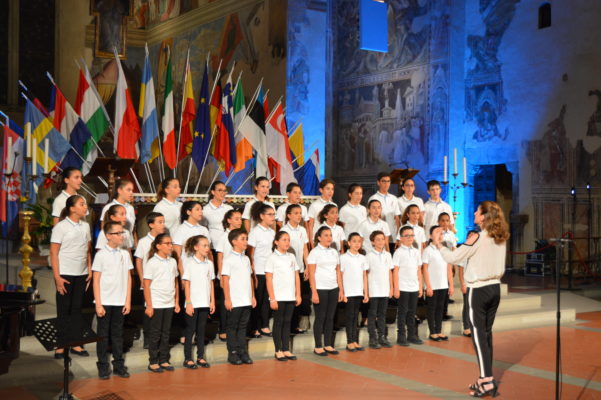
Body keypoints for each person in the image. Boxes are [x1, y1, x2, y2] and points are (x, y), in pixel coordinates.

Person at [433, 201, 509, 397]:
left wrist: (439, 244)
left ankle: (487, 381)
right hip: (495, 288)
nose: (474, 213)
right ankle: (486, 377)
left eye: (477, 211)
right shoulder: (500, 236)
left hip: (480, 290)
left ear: (483, 217)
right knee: (486, 333)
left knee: (478, 336)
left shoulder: (477, 237)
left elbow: (454, 257)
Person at [50, 195, 92, 358]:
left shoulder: (86, 226)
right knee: (64, 309)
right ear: (72, 208)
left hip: (81, 273)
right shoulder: (61, 227)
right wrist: (57, 277)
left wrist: (89, 269)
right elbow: (54, 252)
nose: (85, 207)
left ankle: (76, 343)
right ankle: (60, 345)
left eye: (85, 204)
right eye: (82, 204)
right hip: (65, 273)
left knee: (76, 309)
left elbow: (87, 250)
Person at [92, 221, 133, 379]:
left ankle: (118, 365)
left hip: (120, 301)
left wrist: (128, 301)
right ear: (108, 236)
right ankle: (103, 365)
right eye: (117, 233)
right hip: (105, 301)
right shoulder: (101, 254)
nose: (121, 236)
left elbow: (128, 279)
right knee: (103, 335)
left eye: (122, 232)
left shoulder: (124, 254)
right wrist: (99, 303)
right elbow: (96, 280)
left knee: (118, 334)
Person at [143, 233, 180, 373]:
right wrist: (149, 305)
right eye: (167, 243)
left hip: (169, 302)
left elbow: (175, 282)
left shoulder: (172, 261)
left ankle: (164, 360)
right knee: (155, 333)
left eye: (171, 243)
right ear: (158, 246)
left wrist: (176, 301)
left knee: (166, 333)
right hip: (156, 302)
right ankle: (153, 361)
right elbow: (146, 285)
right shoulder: (152, 262)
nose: (171, 246)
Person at [222, 229, 256, 365]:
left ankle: (242, 352)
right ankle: (233, 353)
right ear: (234, 242)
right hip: (235, 300)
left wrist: (252, 296)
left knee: (243, 327)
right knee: (232, 327)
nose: (246, 241)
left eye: (246, 238)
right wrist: (227, 298)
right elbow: (225, 280)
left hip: (246, 299)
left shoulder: (246, 258)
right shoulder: (229, 259)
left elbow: (250, 278)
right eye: (243, 239)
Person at [265, 231, 301, 361]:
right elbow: (269, 279)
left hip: (290, 296)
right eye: (284, 240)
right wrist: (272, 298)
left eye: (288, 240)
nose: (287, 242)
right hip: (278, 297)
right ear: (276, 242)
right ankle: (278, 350)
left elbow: (296, 276)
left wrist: (298, 294)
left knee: (287, 323)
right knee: (278, 323)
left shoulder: (291, 257)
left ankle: (286, 349)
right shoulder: (272, 258)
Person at [308, 226, 344, 356]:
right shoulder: (314, 252)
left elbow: (338, 272)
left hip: (333, 288)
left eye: (330, 235)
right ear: (319, 237)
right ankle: (318, 346)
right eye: (326, 235)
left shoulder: (334, 252)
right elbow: (312, 274)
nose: (329, 238)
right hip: (320, 289)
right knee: (321, 317)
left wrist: (341, 290)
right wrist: (314, 292)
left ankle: (328, 344)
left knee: (330, 317)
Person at [182, 235, 215, 369]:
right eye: (204, 245)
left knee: (201, 331)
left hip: (204, 303)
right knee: (190, 331)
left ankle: (200, 357)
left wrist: (212, 301)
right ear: (196, 247)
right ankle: (188, 358)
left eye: (208, 246)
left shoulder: (209, 263)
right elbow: (187, 284)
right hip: (193, 303)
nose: (207, 248)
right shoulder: (190, 263)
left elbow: (211, 283)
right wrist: (189, 303)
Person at [134, 212, 166, 349]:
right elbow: (139, 261)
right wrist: (142, 279)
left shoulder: (165, 240)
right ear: (151, 225)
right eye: (159, 222)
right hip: (149, 283)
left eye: (163, 221)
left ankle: (160, 338)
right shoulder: (143, 242)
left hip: (162, 282)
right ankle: (148, 338)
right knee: (149, 310)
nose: (163, 224)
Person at [279, 204, 310, 334]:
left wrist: (307, 266)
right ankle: (287, 327)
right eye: (296, 213)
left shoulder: (302, 230)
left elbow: (304, 249)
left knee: (300, 297)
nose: (299, 216)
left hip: (300, 269)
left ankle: (296, 325)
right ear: (289, 215)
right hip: (288, 270)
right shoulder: (284, 230)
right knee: (289, 298)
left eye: (300, 213)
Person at [247, 202, 276, 337]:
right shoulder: (255, 232)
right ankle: (254, 327)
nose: (272, 217)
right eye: (270, 214)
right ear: (261, 216)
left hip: (269, 271)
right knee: (257, 300)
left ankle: (264, 325)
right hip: (258, 270)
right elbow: (250, 254)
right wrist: (252, 273)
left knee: (267, 299)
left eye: (273, 214)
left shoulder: (272, 232)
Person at [392, 226, 424, 346]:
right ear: (401, 238)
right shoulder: (398, 252)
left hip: (414, 287)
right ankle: (401, 336)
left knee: (412, 312)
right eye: (407, 235)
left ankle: (412, 335)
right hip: (403, 287)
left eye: (412, 235)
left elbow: (418, 270)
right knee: (402, 312)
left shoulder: (416, 252)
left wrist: (420, 287)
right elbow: (395, 271)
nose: (410, 237)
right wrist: (396, 288)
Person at [422, 226, 454, 342]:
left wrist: (450, 285)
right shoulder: (427, 251)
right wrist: (428, 286)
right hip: (432, 286)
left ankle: (439, 331)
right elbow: (424, 269)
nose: (440, 235)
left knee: (440, 309)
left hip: (443, 285)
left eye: (441, 233)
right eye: (437, 233)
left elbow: (449, 269)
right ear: (430, 236)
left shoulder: (445, 250)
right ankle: (433, 332)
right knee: (432, 309)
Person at [340, 233, 368, 352]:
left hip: (358, 291)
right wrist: (342, 292)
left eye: (359, 241)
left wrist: (365, 293)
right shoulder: (343, 258)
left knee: (356, 317)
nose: (357, 244)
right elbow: (340, 276)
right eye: (354, 241)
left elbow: (364, 276)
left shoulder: (362, 258)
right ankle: (349, 342)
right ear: (349, 243)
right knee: (349, 317)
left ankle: (355, 341)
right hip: (349, 292)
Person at [366, 231, 393, 349]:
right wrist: (366, 290)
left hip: (384, 289)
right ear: (372, 242)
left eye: (383, 239)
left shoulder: (388, 255)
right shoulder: (369, 256)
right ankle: (373, 338)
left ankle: (382, 337)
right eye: (378, 239)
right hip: (373, 289)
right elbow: (366, 274)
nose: (381, 241)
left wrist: (391, 288)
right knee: (372, 315)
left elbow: (389, 272)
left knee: (382, 314)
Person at [173, 201, 211, 275]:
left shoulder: (204, 229)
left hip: (204, 271)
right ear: (188, 212)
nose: (201, 212)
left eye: (201, 209)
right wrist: (181, 273)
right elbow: (177, 254)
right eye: (197, 209)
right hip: (188, 271)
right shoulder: (180, 229)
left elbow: (208, 253)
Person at [368, 172, 401, 250]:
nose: (386, 184)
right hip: (379, 239)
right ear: (378, 183)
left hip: (393, 237)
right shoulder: (373, 198)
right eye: (384, 181)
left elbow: (397, 218)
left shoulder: (393, 198)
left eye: (388, 181)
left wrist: (398, 236)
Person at [202, 181, 233, 245]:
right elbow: (202, 229)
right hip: (213, 246)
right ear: (213, 192)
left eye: (224, 191)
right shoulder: (205, 210)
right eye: (220, 190)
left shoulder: (229, 208)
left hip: (229, 245)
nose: (223, 193)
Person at [307, 178, 336, 243]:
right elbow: (310, 226)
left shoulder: (334, 205)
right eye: (328, 189)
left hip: (331, 239)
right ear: (321, 190)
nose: (330, 191)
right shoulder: (314, 205)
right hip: (318, 239)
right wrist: (311, 241)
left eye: (332, 189)